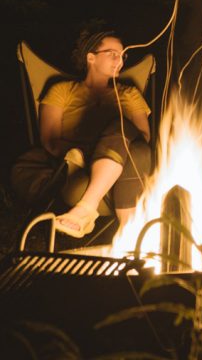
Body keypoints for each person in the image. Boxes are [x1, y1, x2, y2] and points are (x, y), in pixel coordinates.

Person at [11, 29, 151, 238]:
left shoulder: (129, 93)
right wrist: (87, 154)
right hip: (76, 171)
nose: (119, 60)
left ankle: (87, 209)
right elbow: (49, 141)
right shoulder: (62, 90)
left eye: (123, 55)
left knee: (131, 138)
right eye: (112, 53)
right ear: (91, 57)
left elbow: (143, 136)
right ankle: (129, 232)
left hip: (124, 171)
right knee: (136, 148)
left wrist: (107, 147)